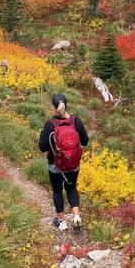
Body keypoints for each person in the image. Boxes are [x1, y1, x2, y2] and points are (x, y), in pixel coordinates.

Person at [39, 94, 89, 232]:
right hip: (73, 165)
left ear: (54, 108)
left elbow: (42, 147)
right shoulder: (76, 121)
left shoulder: (50, 124)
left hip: (56, 165)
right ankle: (76, 217)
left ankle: (62, 222)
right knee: (71, 189)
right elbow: (85, 141)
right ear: (66, 105)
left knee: (57, 190)